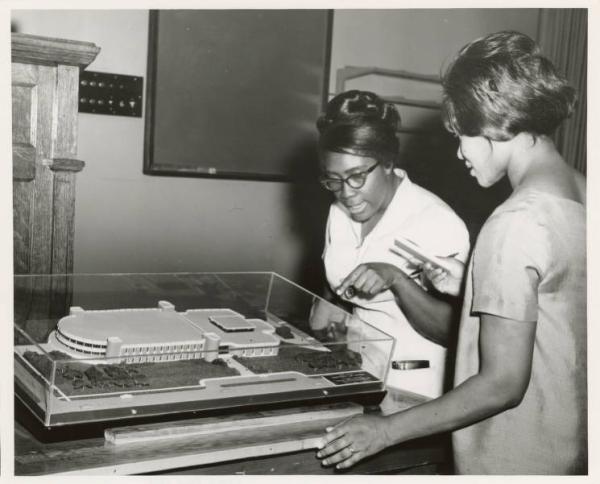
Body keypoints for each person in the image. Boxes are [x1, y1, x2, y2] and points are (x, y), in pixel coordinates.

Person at [315, 31, 586, 475]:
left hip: (517, 454)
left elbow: (502, 384)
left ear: (495, 122)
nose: (459, 152)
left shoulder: (515, 220)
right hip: (572, 446)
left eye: (461, 135)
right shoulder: (583, 195)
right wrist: (469, 283)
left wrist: (383, 431)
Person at [310, 89, 470, 398]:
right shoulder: (341, 210)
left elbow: (453, 331)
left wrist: (395, 278)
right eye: (333, 180)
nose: (346, 193)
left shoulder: (436, 221)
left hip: (416, 386)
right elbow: (340, 273)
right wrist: (332, 303)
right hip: (356, 369)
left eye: (356, 176)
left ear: (386, 162)